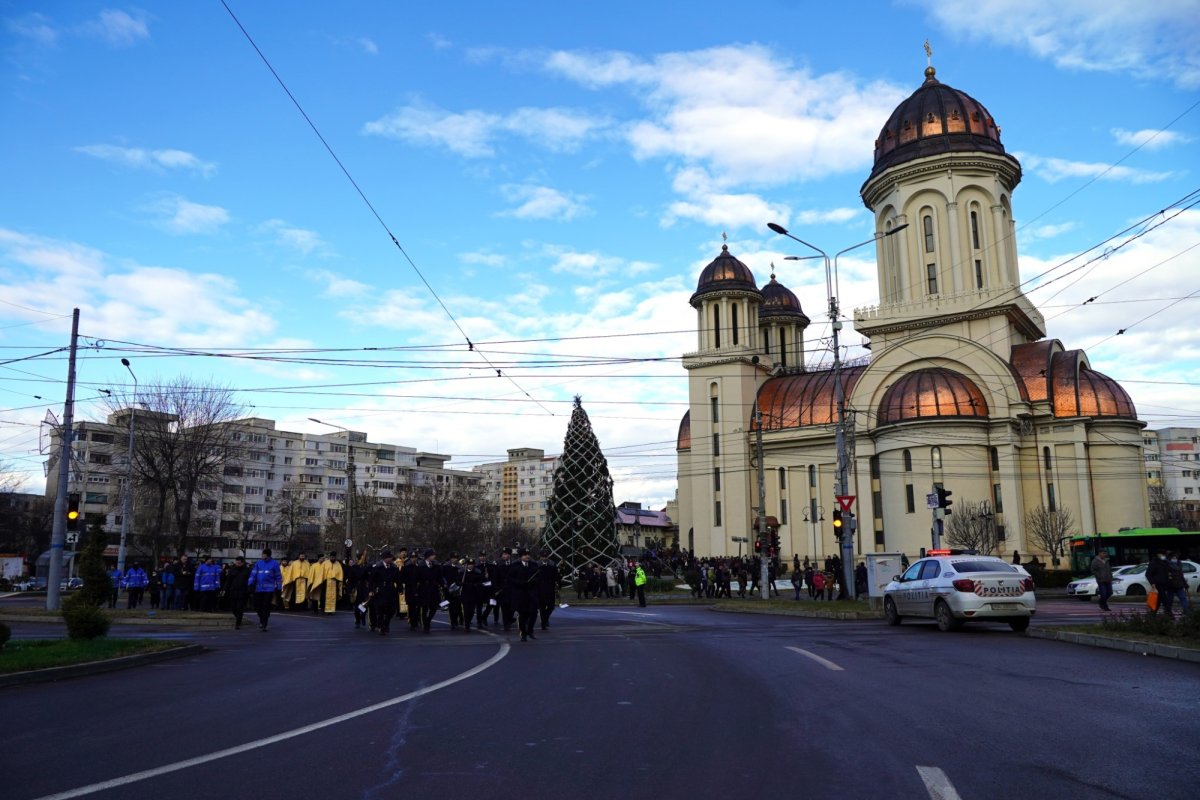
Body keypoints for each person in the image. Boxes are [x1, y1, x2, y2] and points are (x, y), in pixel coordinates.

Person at [247, 549, 283, 631]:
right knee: (257, 606)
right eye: (262, 554)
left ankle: (264, 623)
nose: (262, 556)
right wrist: (249, 584)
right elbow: (253, 574)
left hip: (269, 589)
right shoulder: (258, 563)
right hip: (258, 589)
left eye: (263, 554)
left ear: (268, 555)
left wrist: (279, 587)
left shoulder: (274, 564)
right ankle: (261, 619)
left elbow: (278, 577)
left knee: (266, 606)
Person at [367, 551, 403, 635]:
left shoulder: (394, 567)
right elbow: (371, 580)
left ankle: (386, 623)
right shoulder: (377, 567)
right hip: (380, 590)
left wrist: (399, 588)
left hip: (390, 590)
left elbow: (398, 579)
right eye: (389, 557)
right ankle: (381, 626)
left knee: (392, 610)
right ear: (385, 558)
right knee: (380, 609)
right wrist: (371, 590)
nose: (391, 559)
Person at [509, 548, 540, 641]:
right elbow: (510, 578)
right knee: (523, 614)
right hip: (520, 594)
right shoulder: (515, 566)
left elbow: (539, 577)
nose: (527, 556)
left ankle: (530, 630)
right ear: (521, 556)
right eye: (525, 555)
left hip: (531, 593)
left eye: (528, 554)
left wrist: (534, 581)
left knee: (534, 613)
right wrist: (521, 582)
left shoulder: (534, 565)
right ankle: (523, 633)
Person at [416, 549, 444, 633]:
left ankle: (428, 621)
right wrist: (416, 590)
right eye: (432, 555)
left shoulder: (436, 565)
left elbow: (439, 577)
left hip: (434, 588)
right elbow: (416, 579)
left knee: (434, 607)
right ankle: (425, 625)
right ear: (428, 556)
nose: (434, 556)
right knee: (424, 608)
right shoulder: (421, 566)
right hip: (424, 588)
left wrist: (443, 584)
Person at [223, 556, 251, 629]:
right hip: (233, 591)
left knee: (239, 608)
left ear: (242, 562)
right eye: (237, 562)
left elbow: (249, 581)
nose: (238, 564)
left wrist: (249, 590)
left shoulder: (247, 570)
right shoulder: (232, 570)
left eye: (239, 562)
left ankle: (238, 623)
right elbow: (228, 580)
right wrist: (225, 589)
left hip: (242, 591)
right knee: (233, 607)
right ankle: (238, 617)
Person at [536, 548, 558, 630]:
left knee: (551, 606)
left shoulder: (552, 564)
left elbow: (556, 575)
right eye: (543, 556)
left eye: (546, 556)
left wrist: (557, 585)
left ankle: (545, 618)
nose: (544, 558)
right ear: (540, 557)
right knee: (542, 606)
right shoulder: (537, 564)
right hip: (540, 588)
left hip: (550, 587)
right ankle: (544, 622)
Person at [1145, 550, 1173, 615]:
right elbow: (1148, 574)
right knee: (1166, 600)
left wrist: (1169, 577)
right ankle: (1169, 614)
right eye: (1163, 554)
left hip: (1165, 585)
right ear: (1158, 554)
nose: (1164, 556)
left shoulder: (1165, 562)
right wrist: (1152, 583)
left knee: (1158, 601)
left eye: (1165, 555)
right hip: (1158, 585)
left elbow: (1167, 572)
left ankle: (1152, 614)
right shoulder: (1154, 562)